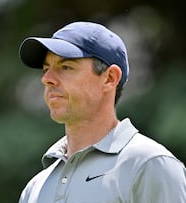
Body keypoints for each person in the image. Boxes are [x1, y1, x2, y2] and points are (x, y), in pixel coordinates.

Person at [17, 21, 186, 203]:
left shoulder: (149, 165)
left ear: (109, 78)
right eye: (46, 68)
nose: (46, 79)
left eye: (66, 67)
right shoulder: (35, 187)